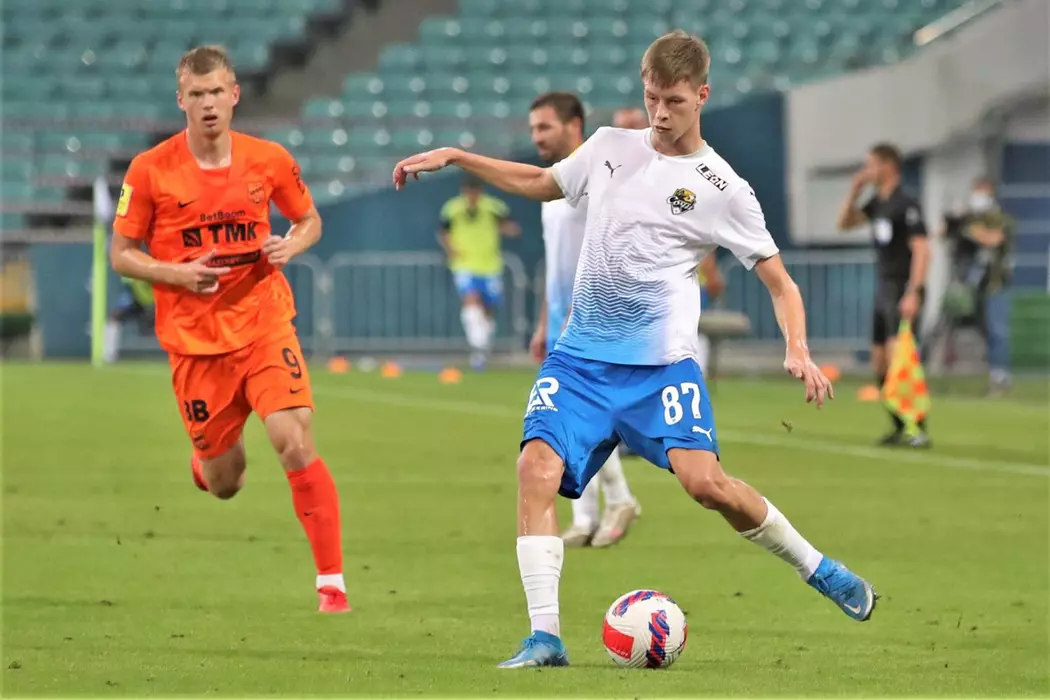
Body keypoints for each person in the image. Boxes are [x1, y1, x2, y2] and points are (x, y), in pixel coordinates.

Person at [394, 30, 876, 668]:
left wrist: (799, 349)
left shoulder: (723, 188)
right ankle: (545, 637)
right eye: (652, 98)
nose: (660, 113)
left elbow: (781, 283)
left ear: (702, 96)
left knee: (707, 486)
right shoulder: (609, 146)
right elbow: (541, 181)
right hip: (580, 363)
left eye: (674, 101)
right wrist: (459, 157)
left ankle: (819, 568)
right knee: (534, 469)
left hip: (660, 371)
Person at [109, 46, 348, 614]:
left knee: (293, 438)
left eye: (217, 91)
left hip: (265, 324)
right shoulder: (150, 170)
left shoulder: (268, 160)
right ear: (181, 101)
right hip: (196, 345)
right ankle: (207, 463)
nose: (209, 103)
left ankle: (332, 584)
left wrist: (292, 244)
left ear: (235, 94)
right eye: (197, 94)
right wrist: (177, 274)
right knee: (225, 482)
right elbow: (121, 253)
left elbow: (309, 219)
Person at [528, 91, 641, 549]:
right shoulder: (550, 187)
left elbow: (609, 251)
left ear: (574, 125)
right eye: (533, 129)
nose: (536, 137)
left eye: (545, 127)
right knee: (572, 415)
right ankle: (587, 515)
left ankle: (619, 500)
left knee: (577, 413)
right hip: (561, 317)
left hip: (592, 316)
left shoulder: (597, 180)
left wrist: (585, 307)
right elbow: (556, 261)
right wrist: (543, 322)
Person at [837, 142, 931, 447]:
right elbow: (844, 224)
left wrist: (914, 292)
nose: (867, 171)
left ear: (888, 165)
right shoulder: (878, 203)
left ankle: (917, 427)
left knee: (898, 359)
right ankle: (898, 425)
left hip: (902, 288)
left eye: (871, 165)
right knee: (879, 362)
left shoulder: (907, 203)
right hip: (883, 288)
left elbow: (922, 249)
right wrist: (854, 192)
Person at [438, 175, 520, 370]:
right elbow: (443, 231)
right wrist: (450, 249)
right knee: (471, 299)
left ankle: (484, 345)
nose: (472, 196)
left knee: (489, 308)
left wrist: (505, 228)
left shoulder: (493, 207)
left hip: (490, 264)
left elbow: (512, 227)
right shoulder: (452, 208)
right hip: (464, 263)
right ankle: (477, 346)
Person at [952, 177, 1014, 395]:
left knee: (998, 329)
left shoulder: (1000, 217)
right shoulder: (971, 217)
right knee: (983, 328)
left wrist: (969, 229)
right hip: (975, 283)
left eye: (982, 192)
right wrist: (954, 221)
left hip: (997, 283)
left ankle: (1000, 376)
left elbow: (994, 239)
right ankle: (992, 371)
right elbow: (944, 233)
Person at [103, 277, 155, 363]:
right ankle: (109, 353)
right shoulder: (130, 280)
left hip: (158, 303)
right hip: (137, 301)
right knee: (114, 318)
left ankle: (176, 352)